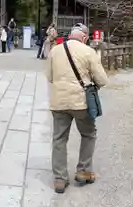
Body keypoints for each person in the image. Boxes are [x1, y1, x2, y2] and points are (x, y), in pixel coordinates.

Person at [46, 24, 109, 194]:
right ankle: (83, 171)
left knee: (59, 138)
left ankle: (60, 179)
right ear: (84, 37)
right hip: (81, 102)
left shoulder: (55, 50)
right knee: (88, 134)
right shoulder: (89, 52)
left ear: (70, 36)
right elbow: (102, 80)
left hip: (58, 101)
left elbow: (50, 77)